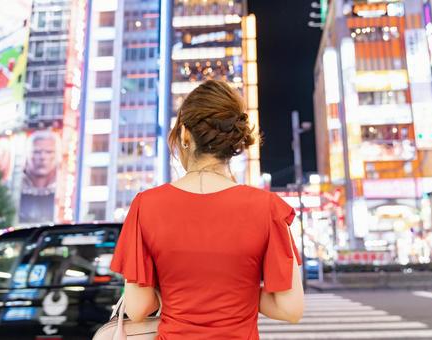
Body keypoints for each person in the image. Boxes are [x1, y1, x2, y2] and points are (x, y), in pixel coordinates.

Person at [110, 80, 304, 339]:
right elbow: (290, 308)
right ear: (234, 138)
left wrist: (174, 290)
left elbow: (137, 308)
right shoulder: (267, 209)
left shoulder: (146, 206)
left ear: (185, 135)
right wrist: (238, 290)